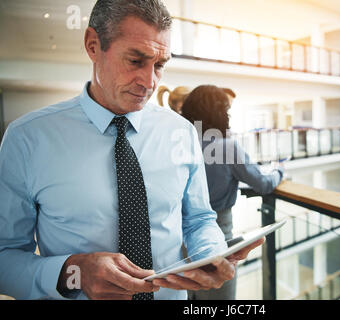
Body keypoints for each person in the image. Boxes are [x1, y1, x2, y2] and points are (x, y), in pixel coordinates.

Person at [0, 0, 263, 300]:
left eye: (160, 65)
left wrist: (211, 253)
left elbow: (199, 219)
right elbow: (4, 257)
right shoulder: (27, 139)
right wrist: (73, 274)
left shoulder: (182, 133)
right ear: (93, 45)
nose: (149, 82)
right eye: (136, 61)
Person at [181, 85, 284, 300]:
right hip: (218, 236)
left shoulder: (181, 144)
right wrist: (280, 169)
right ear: (220, 112)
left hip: (179, 239)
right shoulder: (226, 147)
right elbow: (264, 184)